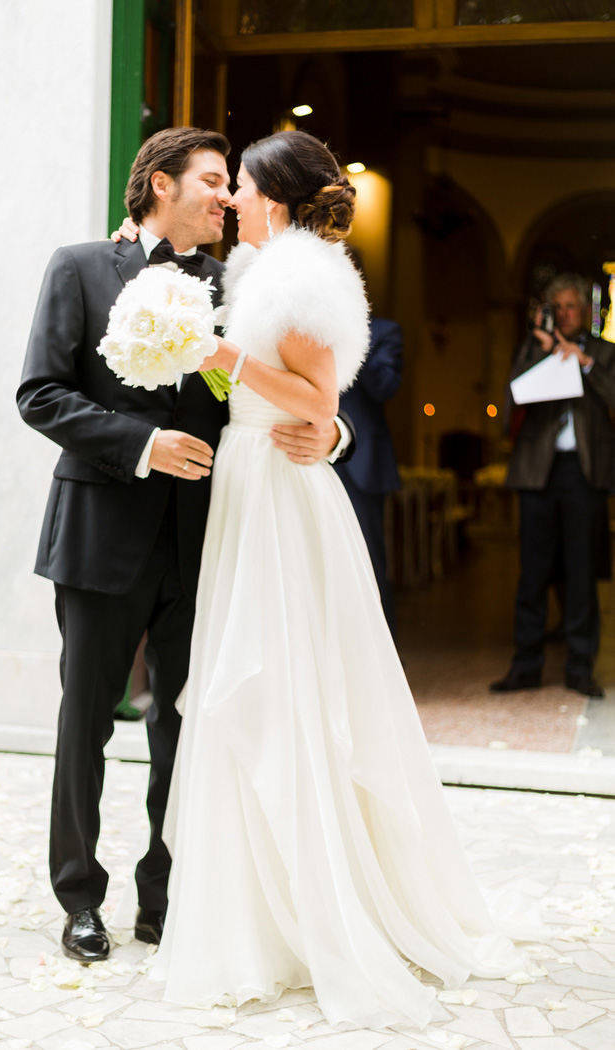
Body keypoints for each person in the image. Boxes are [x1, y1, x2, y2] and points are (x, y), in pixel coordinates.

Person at [146, 130, 524, 1031]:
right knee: (256, 685)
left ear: (274, 195)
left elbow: (320, 402)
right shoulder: (258, 271)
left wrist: (223, 356)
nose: (230, 197)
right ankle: (255, 913)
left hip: (279, 490)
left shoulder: (304, 277)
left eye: (239, 184)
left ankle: (314, 904)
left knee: (280, 686)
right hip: (251, 478)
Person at [17, 126, 348, 965]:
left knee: (186, 725)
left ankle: (164, 896)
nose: (225, 197)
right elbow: (40, 394)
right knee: (84, 719)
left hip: (209, 541)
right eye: (210, 180)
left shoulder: (237, 287)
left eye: (231, 183)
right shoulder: (80, 266)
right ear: (161, 184)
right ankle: (78, 898)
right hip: (100, 533)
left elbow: (282, 385)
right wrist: (141, 443)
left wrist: (331, 429)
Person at [491, 274, 615, 699]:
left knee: (581, 573)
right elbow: (511, 398)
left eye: (571, 307)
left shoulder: (604, 353)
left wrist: (583, 363)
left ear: (586, 312)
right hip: (537, 472)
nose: (564, 313)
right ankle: (526, 665)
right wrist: (543, 356)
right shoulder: (532, 346)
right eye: (557, 307)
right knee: (533, 573)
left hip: (584, 472)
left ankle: (580, 668)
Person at [335, 315, 402, 637]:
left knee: (369, 562)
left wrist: (351, 338)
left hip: (361, 462)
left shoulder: (384, 332)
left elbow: (384, 387)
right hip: (305, 457)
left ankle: (380, 651)